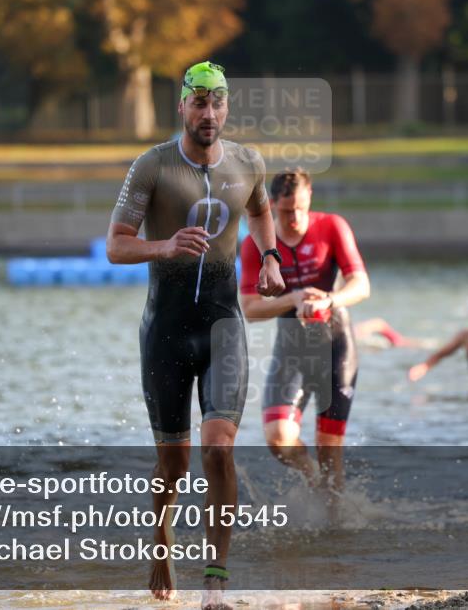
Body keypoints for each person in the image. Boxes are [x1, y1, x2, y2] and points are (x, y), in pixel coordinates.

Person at [107, 61, 284, 609]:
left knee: (219, 449)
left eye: (218, 103)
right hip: (165, 331)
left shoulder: (248, 162)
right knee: (174, 465)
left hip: (222, 326)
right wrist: (164, 246)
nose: (209, 113)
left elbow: (260, 211)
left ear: (227, 107)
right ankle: (161, 541)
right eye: (200, 102)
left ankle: (215, 579)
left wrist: (270, 256)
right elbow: (115, 244)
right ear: (182, 106)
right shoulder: (153, 166)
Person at [239, 168, 370, 492]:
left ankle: (334, 512)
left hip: (335, 345)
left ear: (309, 197)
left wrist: (329, 299)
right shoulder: (256, 245)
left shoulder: (332, 226)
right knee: (278, 438)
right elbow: (250, 310)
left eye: (300, 208)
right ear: (271, 205)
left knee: (329, 448)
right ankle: (314, 482)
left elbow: (361, 285)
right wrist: (294, 298)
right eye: (286, 211)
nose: (295, 218)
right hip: (292, 349)